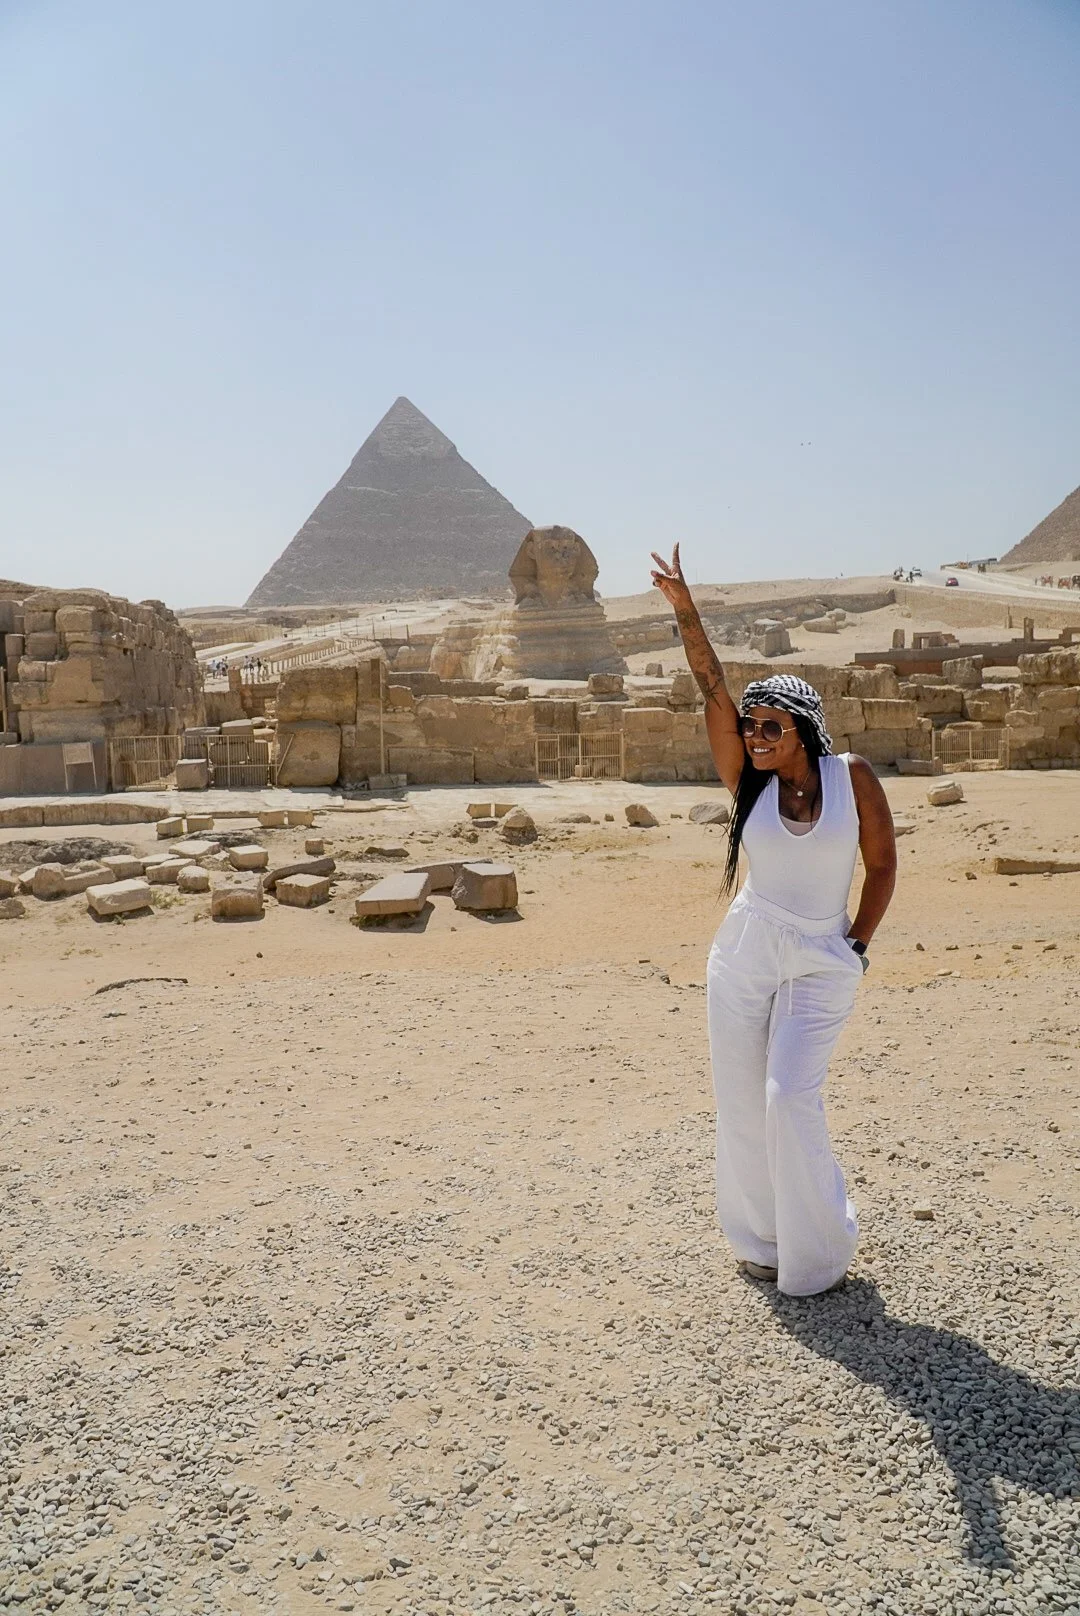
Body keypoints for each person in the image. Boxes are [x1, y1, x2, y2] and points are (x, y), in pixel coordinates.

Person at [650, 544, 897, 1296]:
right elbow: (712, 685)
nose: (753, 737)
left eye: (769, 727)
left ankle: (821, 1249)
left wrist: (855, 944)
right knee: (740, 1099)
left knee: (790, 1093)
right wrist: (685, 609)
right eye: (750, 726)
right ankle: (759, 1240)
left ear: (803, 731)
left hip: (823, 956)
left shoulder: (849, 777)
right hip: (747, 950)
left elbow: (883, 864)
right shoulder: (747, 783)